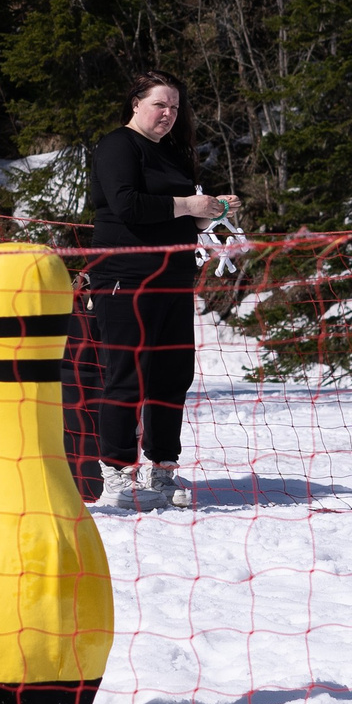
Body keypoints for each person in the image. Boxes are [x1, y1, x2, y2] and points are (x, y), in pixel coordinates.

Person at [84, 71, 236, 513]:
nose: (169, 114)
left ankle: (162, 470)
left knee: (172, 375)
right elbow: (127, 203)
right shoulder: (117, 145)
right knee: (126, 374)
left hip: (173, 278)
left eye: (174, 107)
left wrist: (211, 212)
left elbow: (185, 219)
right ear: (136, 104)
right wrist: (191, 205)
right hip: (124, 277)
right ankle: (115, 474)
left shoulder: (172, 153)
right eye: (159, 104)